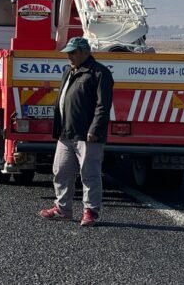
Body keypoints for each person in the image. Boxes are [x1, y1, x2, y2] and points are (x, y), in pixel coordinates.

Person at [39, 37, 113, 227]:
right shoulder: (69, 72)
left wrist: (95, 129)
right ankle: (63, 208)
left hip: (87, 135)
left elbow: (103, 105)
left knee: (90, 173)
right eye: (68, 53)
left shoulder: (99, 73)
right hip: (66, 133)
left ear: (85, 52)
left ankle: (90, 211)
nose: (69, 56)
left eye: (73, 53)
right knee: (61, 171)